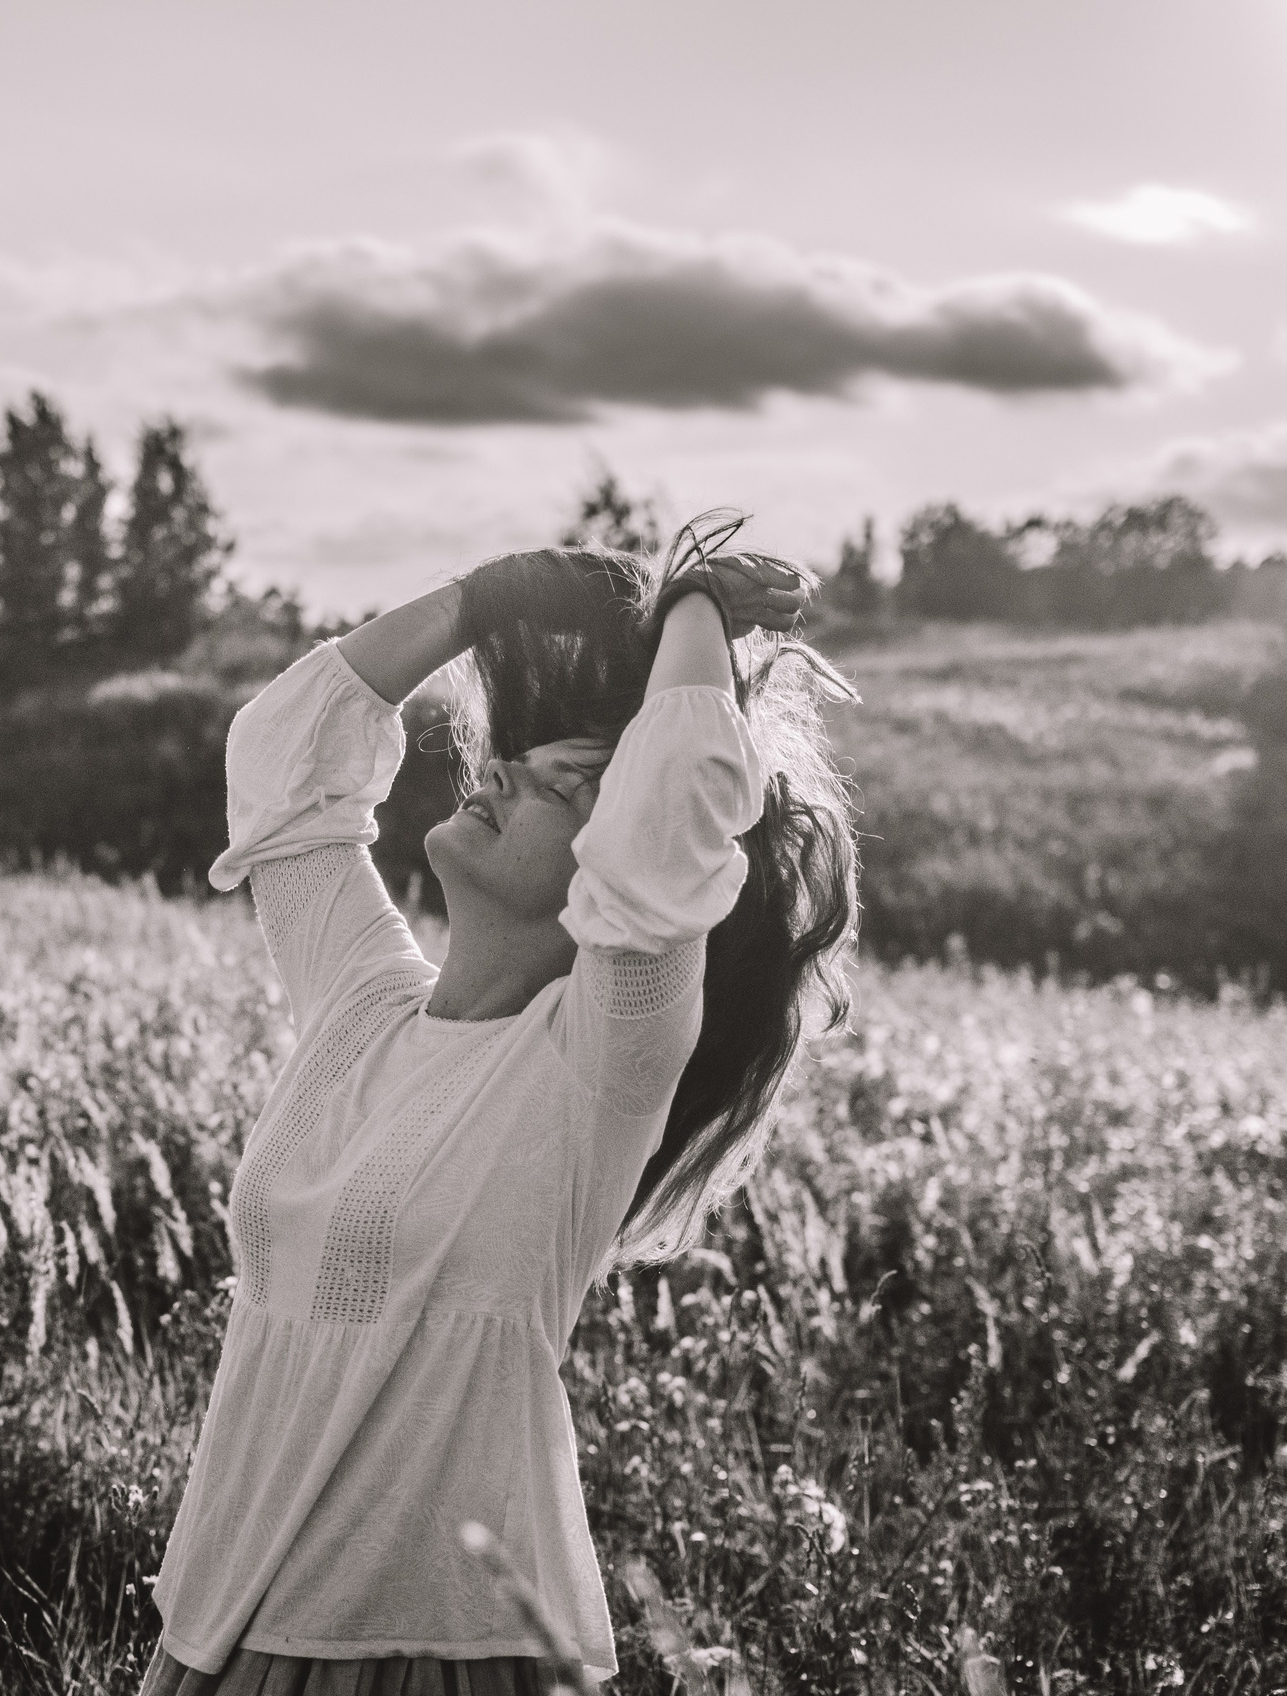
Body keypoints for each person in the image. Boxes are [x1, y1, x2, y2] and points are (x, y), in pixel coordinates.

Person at [141, 514, 860, 1695]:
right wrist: (483, 602)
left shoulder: (600, 1062)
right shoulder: (362, 1004)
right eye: (517, 762)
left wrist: (695, 611)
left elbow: (673, 806)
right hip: (218, 1616)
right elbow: (281, 760)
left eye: (568, 788)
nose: (505, 772)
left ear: (611, 861)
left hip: (431, 1645)